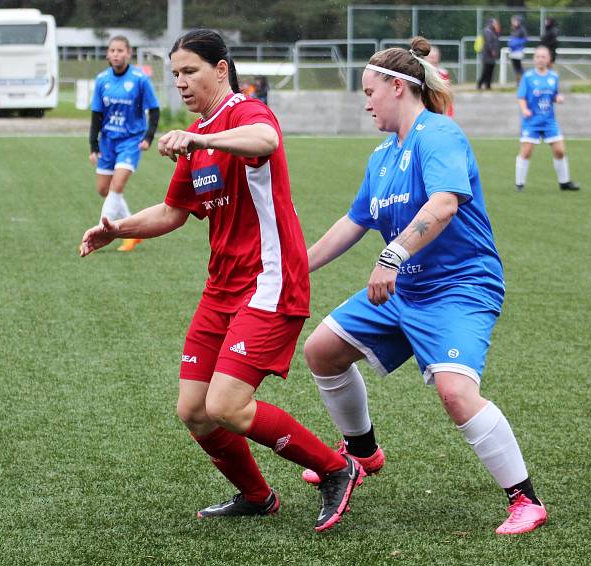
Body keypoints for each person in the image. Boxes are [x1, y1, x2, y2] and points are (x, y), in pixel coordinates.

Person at [79, 29, 362, 532]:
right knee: (194, 410)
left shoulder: (243, 113)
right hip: (222, 289)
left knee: (226, 405)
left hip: (270, 283)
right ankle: (257, 496)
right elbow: (172, 211)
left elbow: (267, 140)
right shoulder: (199, 138)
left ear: (221, 69)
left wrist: (202, 137)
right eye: (176, 75)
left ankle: (337, 468)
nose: (182, 84)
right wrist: (115, 229)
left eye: (191, 71)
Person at [299, 36, 548, 536]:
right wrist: (296, 270)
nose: (365, 101)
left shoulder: (438, 136)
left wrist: (392, 255)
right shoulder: (381, 155)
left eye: (370, 90)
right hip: (405, 290)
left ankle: (525, 500)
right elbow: (353, 223)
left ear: (397, 86)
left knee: (456, 392)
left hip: (459, 285)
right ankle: (364, 453)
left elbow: (444, 205)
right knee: (322, 351)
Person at [88, 36, 160, 252]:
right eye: (112, 50)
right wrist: (93, 146)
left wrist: (148, 137)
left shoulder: (139, 79)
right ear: (108, 54)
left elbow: (154, 110)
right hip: (108, 142)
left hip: (131, 141)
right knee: (104, 190)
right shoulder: (102, 80)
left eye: (120, 50)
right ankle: (133, 232)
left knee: (117, 187)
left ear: (128, 53)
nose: (116, 54)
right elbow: (96, 115)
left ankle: (102, 232)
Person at [515, 45, 580, 192]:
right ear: (534, 59)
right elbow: (521, 97)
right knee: (526, 152)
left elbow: (553, 95)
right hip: (532, 122)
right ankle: (520, 184)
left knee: (560, 151)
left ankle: (564, 182)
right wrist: (524, 109)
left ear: (549, 59)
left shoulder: (553, 76)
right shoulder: (528, 77)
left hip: (549, 121)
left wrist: (558, 98)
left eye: (543, 56)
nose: (540, 59)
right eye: (538, 56)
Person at [423, 46, 453, 117]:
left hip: (439, 111)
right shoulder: (419, 73)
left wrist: (448, 114)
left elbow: (447, 96)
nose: (435, 60)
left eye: (436, 57)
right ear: (425, 58)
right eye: (432, 57)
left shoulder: (443, 74)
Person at [476, 18, 501, 90]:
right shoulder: (487, 31)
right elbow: (488, 42)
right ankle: (479, 84)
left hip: (492, 55)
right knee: (486, 71)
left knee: (491, 70)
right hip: (487, 55)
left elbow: (496, 40)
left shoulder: (494, 31)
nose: (497, 24)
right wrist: (492, 50)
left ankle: (488, 85)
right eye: (495, 23)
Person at [509, 15, 528, 84]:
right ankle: (518, 82)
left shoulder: (522, 29)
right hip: (513, 51)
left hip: (518, 51)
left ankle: (524, 81)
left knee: (519, 67)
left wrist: (516, 43)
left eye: (515, 21)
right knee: (515, 68)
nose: (513, 22)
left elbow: (525, 39)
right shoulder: (514, 29)